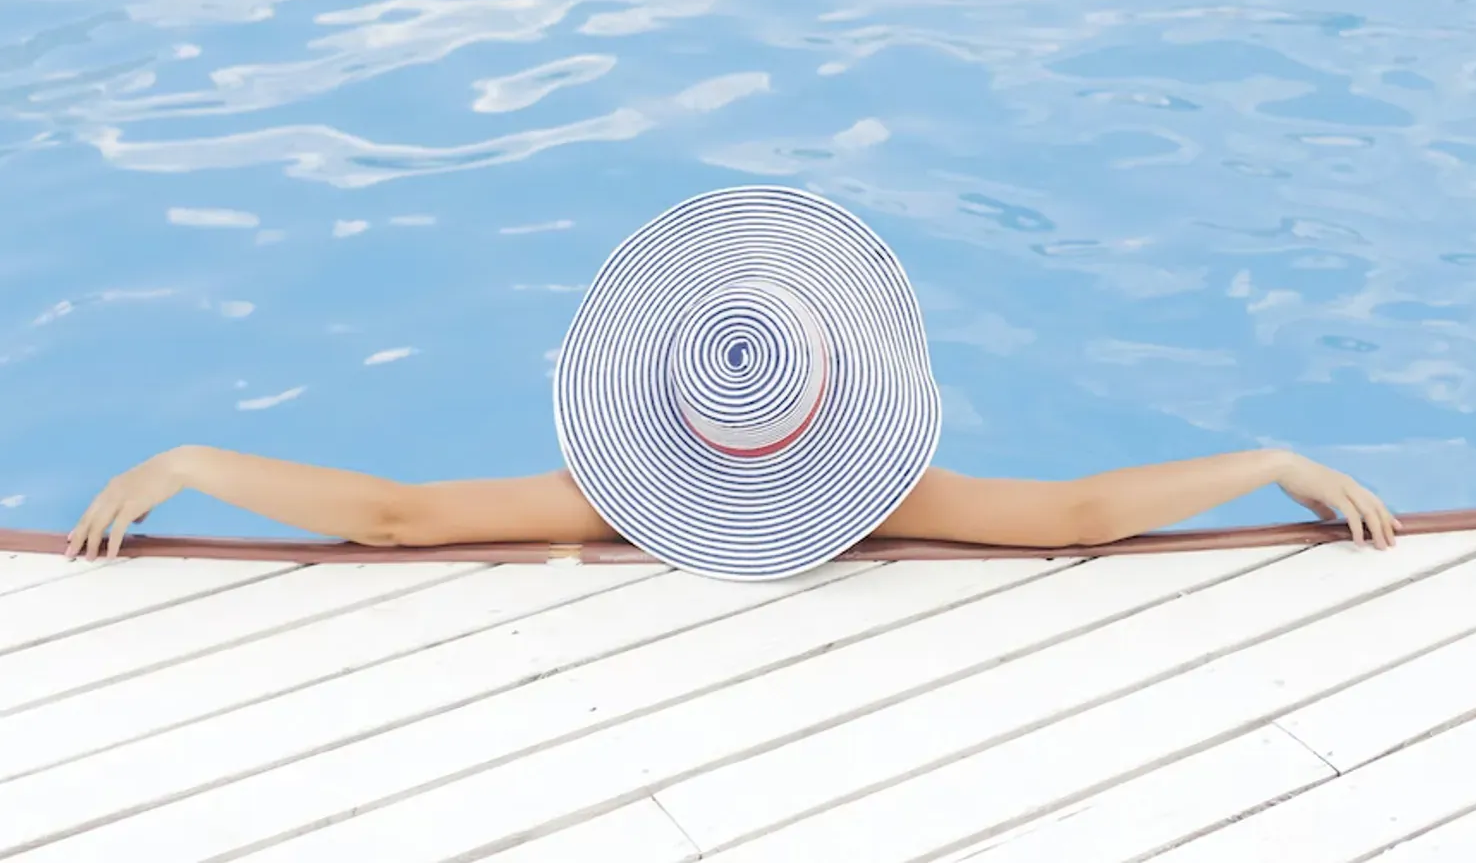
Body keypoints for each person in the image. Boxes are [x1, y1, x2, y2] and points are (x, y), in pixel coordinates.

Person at [65, 187, 1400, 571]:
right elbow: (1073, 517)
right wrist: (1264, 461)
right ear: (839, 395)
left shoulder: (603, 503)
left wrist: (194, 462)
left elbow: (392, 514)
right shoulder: (889, 502)